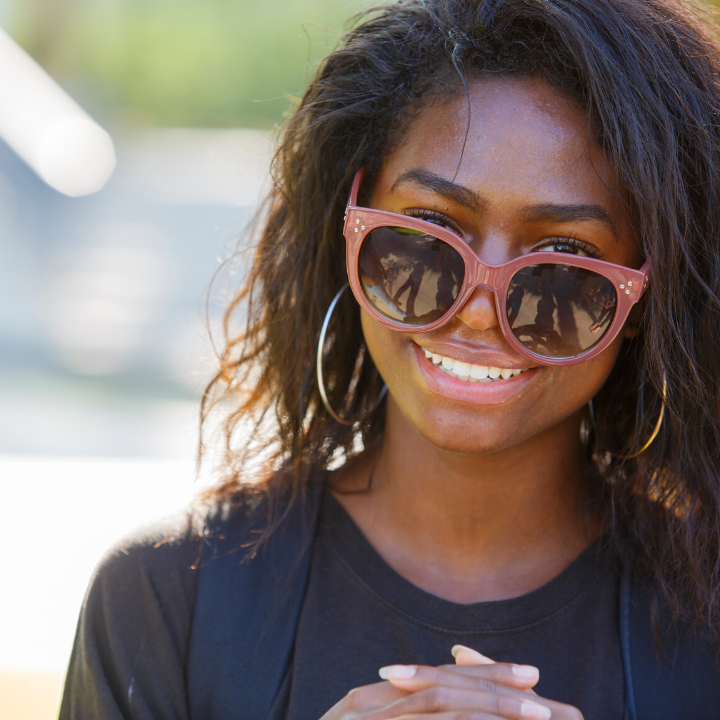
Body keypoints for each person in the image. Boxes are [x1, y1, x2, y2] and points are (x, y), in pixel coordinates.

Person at [59, 1, 720, 718]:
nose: (477, 304)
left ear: (644, 302)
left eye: (563, 262)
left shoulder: (707, 624)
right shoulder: (166, 602)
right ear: (350, 228)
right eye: (430, 234)